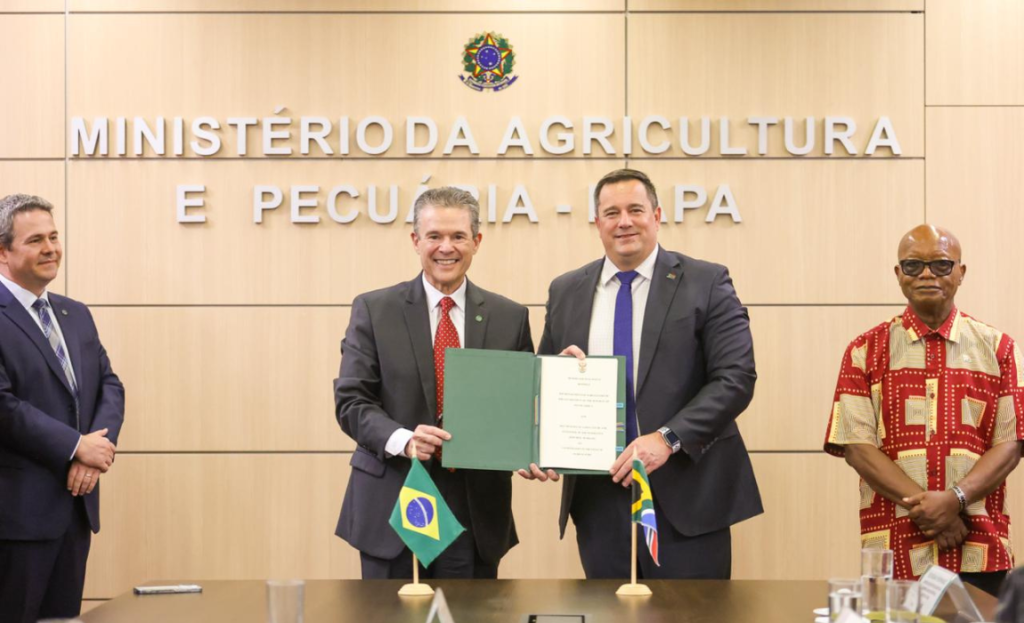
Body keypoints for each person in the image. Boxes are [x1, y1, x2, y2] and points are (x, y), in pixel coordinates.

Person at [521, 168, 763, 579]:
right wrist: (541, 436)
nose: (624, 222)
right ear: (597, 222)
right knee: (609, 608)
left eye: (635, 210)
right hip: (599, 498)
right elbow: (542, 380)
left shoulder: (705, 281)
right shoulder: (566, 290)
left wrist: (667, 439)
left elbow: (736, 377)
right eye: (611, 213)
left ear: (657, 215)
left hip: (686, 491)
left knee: (692, 610)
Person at [334, 187, 533, 579]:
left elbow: (520, 404)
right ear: (415, 241)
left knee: (469, 610)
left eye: (458, 236)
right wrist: (404, 439)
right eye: (434, 236)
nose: (446, 247)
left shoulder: (509, 317)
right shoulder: (375, 310)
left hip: (474, 510)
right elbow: (352, 401)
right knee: (391, 610)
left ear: (477, 241)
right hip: (394, 500)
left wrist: (560, 383)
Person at [824, 225, 1023, 596]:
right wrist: (933, 512)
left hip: (979, 544)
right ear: (898, 274)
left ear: (961, 272)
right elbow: (856, 447)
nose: (927, 274)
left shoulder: (1000, 349)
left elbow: (1011, 444)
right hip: (895, 546)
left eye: (941, 264)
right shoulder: (864, 350)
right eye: (913, 265)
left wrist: (954, 500)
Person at [0, 194, 125, 622]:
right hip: (16, 518)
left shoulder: (75, 313)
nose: (51, 248)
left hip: (74, 511)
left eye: (54, 237)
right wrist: (75, 446)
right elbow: (4, 405)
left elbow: (109, 385)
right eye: (35, 240)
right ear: (3, 252)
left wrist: (94, 452)